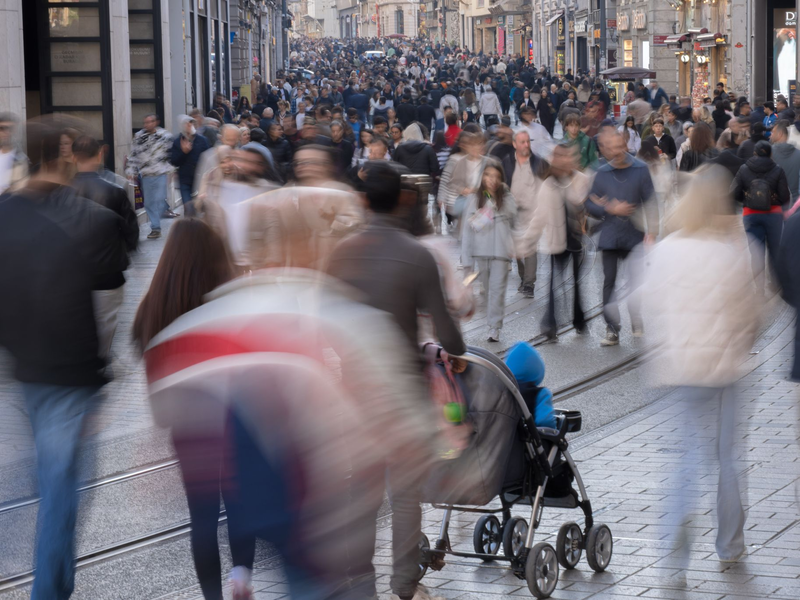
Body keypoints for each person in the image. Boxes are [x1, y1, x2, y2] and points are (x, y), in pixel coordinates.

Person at [0, 117, 128, 600]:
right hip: (71, 376)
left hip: (23, 370)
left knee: (49, 483)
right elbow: (108, 307)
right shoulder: (95, 221)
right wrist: (101, 373)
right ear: (65, 152)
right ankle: (49, 591)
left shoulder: (3, 213)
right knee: (59, 491)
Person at [327, 161, 465, 600]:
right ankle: (405, 586)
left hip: (355, 393)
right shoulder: (417, 254)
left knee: (361, 491)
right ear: (402, 199)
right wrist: (455, 353)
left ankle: (359, 581)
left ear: (364, 201)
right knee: (405, 496)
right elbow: (448, 332)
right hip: (404, 392)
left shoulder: (341, 253)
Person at [132, 219, 258, 600]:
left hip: (187, 426)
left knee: (201, 518)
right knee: (241, 506)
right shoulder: (230, 301)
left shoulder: (154, 306)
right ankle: (241, 579)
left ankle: (212, 597)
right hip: (234, 418)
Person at [647, 164, 754, 566]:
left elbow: (644, 302)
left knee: (685, 459)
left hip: (678, 369)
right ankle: (730, 546)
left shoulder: (667, 249)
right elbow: (750, 314)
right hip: (723, 371)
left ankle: (675, 544)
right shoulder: (733, 251)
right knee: (727, 458)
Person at [586, 132, 658, 346]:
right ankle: (612, 328)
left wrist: (652, 231)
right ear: (605, 149)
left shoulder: (640, 169)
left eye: (619, 146)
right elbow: (588, 203)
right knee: (609, 281)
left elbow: (651, 201)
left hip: (634, 233)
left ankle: (636, 317)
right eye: (610, 147)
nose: (615, 151)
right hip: (610, 235)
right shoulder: (601, 172)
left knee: (635, 281)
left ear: (625, 144)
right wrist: (609, 207)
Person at [71, 136, 139, 361]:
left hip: (71, 270)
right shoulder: (116, 191)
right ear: (100, 154)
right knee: (106, 320)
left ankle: (80, 359)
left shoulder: (60, 193)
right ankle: (99, 360)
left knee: (75, 318)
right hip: (108, 269)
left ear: (72, 158)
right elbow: (131, 232)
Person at [518, 144, 589, 340]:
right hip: (557, 242)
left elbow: (589, 205)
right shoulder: (548, 185)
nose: (563, 160)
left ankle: (579, 319)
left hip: (577, 241)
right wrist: (525, 244)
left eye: (566, 156)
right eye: (558, 157)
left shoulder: (582, 180)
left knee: (576, 284)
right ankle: (550, 325)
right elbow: (538, 218)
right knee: (553, 285)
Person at [461, 162, 517, 342]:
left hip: (501, 251)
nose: (492, 180)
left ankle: (494, 326)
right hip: (481, 251)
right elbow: (467, 229)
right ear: (482, 178)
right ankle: (492, 322)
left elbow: (514, 218)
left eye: (496, 177)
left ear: (501, 180)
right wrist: (466, 259)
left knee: (497, 290)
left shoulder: (506, 198)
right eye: (488, 176)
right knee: (487, 288)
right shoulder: (474, 199)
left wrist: (499, 199)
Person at [732, 140, 791, 289]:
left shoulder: (744, 169)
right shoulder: (778, 169)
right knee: (774, 250)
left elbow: (734, 192)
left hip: (751, 214)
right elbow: (785, 197)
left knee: (756, 252)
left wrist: (747, 200)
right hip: (773, 215)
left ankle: (759, 289)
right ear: (771, 153)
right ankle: (775, 284)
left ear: (754, 153)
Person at [502, 129, 549, 297]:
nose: (526, 145)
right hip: (513, 212)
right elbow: (501, 185)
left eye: (528, 141)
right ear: (514, 144)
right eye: (522, 142)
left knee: (530, 248)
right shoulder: (507, 162)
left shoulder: (539, 163)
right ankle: (524, 278)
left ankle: (529, 284)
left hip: (533, 212)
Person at [171, 114, 211, 217]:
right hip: (185, 178)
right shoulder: (177, 141)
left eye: (191, 123)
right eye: (187, 124)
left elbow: (207, 158)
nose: (190, 126)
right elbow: (174, 161)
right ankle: (190, 227)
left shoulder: (202, 140)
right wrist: (184, 152)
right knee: (188, 207)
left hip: (200, 178)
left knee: (200, 206)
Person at [769, 120, 800, 203]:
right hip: (796, 203)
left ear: (780, 134)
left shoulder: (768, 154)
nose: (770, 136)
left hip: (775, 202)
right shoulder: (798, 153)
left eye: (772, 133)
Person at [0, 113, 29, 194]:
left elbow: (21, 189)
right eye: (2, 128)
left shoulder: (21, 159)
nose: (6, 132)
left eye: (10, 128)